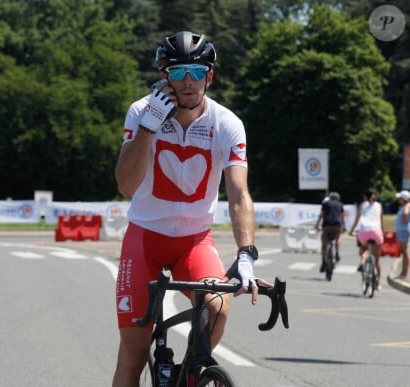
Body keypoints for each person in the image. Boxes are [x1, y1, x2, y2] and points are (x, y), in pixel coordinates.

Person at [112, 31, 269, 386]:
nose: (188, 82)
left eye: (197, 73)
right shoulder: (141, 112)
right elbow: (126, 185)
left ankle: (188, 377)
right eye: (179, 71)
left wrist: (246, 253)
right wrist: (149, 127)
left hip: (194, 242)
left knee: (217, 307)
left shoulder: (225, 123)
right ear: (163, 76)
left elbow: (239, 193)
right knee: (133, 355)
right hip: (144, 240)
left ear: (209, 77)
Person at [348, 188, 384, 288]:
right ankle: (378, 283)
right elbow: (381, 221)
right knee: (377, 260)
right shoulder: (379, 205)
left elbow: (356, 220)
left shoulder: (361, 205)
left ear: (364, 196)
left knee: (364, 248)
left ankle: (363, 261)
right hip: (376, 232)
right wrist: (382, 232)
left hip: (363, 232)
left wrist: (351, 231)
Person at [314, 192, 346, 272]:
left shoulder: (326, 203)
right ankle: (337, 252)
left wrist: (317, 225)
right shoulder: (340, 204)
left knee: (324, 243)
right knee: (338, 237)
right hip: (337, 225)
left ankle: (324, 261)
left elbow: (321, 215)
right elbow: (342, 217)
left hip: (327, 225)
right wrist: (344, 227)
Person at [394, 190, 410, 279]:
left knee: (404, 252)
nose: (399, 200)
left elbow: (406, 213)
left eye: (400, 198)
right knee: (404, 252)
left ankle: (404, 273)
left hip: (403, 230)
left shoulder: (407, 205)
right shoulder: (404, 206)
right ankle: (404, 272)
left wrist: (404, 220)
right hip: (402, 230)